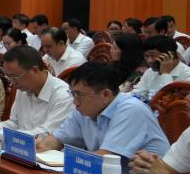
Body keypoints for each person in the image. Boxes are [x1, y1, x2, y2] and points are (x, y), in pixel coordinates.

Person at [37, 62, 170, 160]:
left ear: (105, 94)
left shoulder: (131, 109)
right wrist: (42, 146)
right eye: (72, 94)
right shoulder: (84, 109)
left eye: (78, 94)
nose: (75, 102)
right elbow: (58, 138)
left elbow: (104, 159)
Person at [0, 46, 74, 138]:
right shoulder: (23, 88)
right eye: (9, 77)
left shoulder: (64, 95)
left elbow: (46, 134)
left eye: (15, 76)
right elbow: (15, 123)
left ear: (34, 70)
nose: (12, 82)